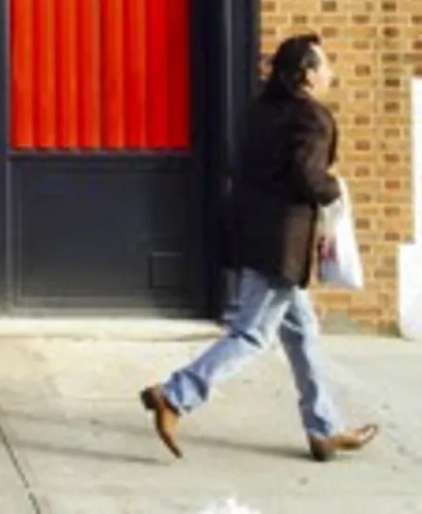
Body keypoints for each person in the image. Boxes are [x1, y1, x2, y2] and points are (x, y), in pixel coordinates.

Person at [139, 33, 379, 463]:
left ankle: (324, 428)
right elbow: (307, 177)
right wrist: (336, 189)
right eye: (324, 66)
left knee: (303, 334)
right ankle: (175, 395)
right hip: (282, 245)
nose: (331, 73)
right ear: (306, 75)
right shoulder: (312, 117)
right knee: (252, 333)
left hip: (254, 233)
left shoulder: (260, 111)